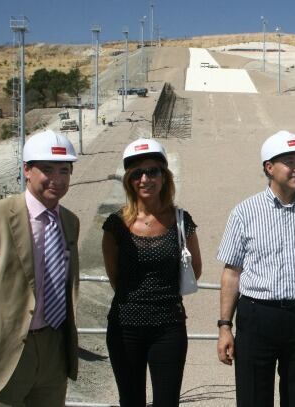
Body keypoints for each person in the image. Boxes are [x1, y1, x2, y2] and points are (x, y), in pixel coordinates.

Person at [216, 130, 295, 407]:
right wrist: (224, 327)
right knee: (253, 399)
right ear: (269, 167)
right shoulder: (244, 212)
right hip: (258, 317)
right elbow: (232, 273)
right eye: (290, 162)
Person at [0, 129, 80, 406]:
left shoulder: (70, 222)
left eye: (64, 170)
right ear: (27, 170)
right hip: (0, 356)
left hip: (53, 352)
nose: (57, 179)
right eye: (47, 169)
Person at [102, 138, 202, 407]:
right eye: (137, 174)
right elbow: (115, 277)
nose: (145, 179)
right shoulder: (115, 226)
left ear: (164, 176)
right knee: (131, 400)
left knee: (167, 402)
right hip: (125, 328)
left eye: (153, 171)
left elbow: (196, 269)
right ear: (129, 181)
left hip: (168, 328)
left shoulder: (182, 221)